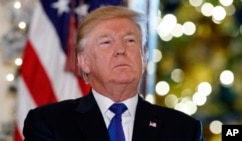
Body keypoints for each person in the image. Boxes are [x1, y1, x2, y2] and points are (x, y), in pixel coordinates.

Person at [23, 6, 204, 141]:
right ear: (84, 62)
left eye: (130, 40)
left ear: (143, 57)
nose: (120, 50)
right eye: (106, 42)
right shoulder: (49, 123)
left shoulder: (184, 130)